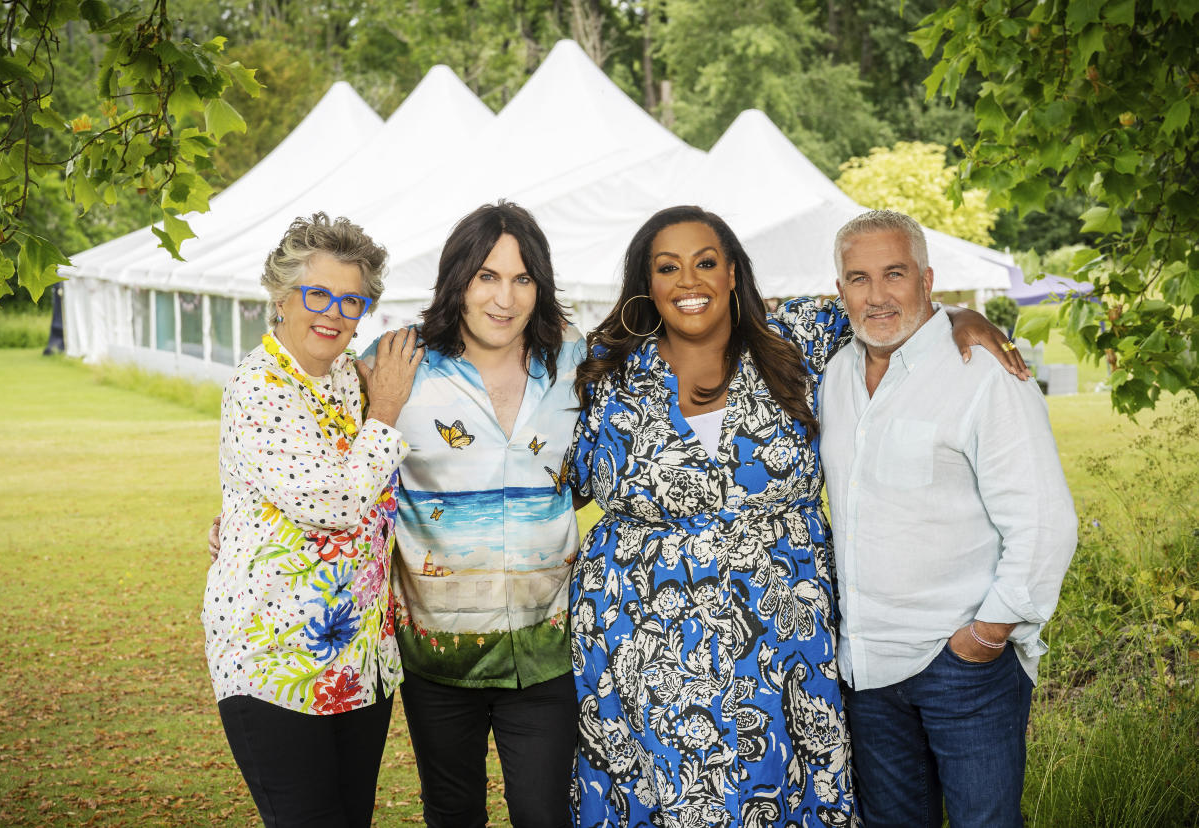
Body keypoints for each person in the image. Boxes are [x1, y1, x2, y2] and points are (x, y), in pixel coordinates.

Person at [565, 205, 1021, 828]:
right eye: (668, 268)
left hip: (782, 641)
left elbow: (890, 304)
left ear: (732, 273)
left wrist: (963, 317)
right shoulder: (610, 370)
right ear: (647, 285)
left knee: (778, 794)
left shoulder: (795, 339)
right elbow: (564, 483)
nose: (689, 281)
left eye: (705, 263)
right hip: (642, 640)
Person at [818, 210, 1077, 827]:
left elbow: (1045, 522)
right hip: (866, 668)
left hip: (962, 665)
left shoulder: (984, 373)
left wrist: (984, 639)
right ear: (840, 292)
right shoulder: (831, 375)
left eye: (895, 274)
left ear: (928, 280)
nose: (877, 296)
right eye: (858, 279)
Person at [362, 201, 583, 827]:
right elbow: (326, 453)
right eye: (487, 276)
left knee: (545, 814)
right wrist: (247, 519)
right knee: (453, 813)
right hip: (438, 656)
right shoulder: (396, 361)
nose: (504, 298)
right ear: (456, 279)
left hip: (547, 650)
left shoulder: (573, 362)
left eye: (521, 278)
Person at [202, 213, 422, 827]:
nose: (333, 312)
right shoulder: (259, 385)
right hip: (275, 658)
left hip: (359, 658)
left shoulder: (354, 380)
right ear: (280, 297)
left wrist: (240, 520)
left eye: (352, 300)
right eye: (317, 294)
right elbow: (333, 505)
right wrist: (386, 415)